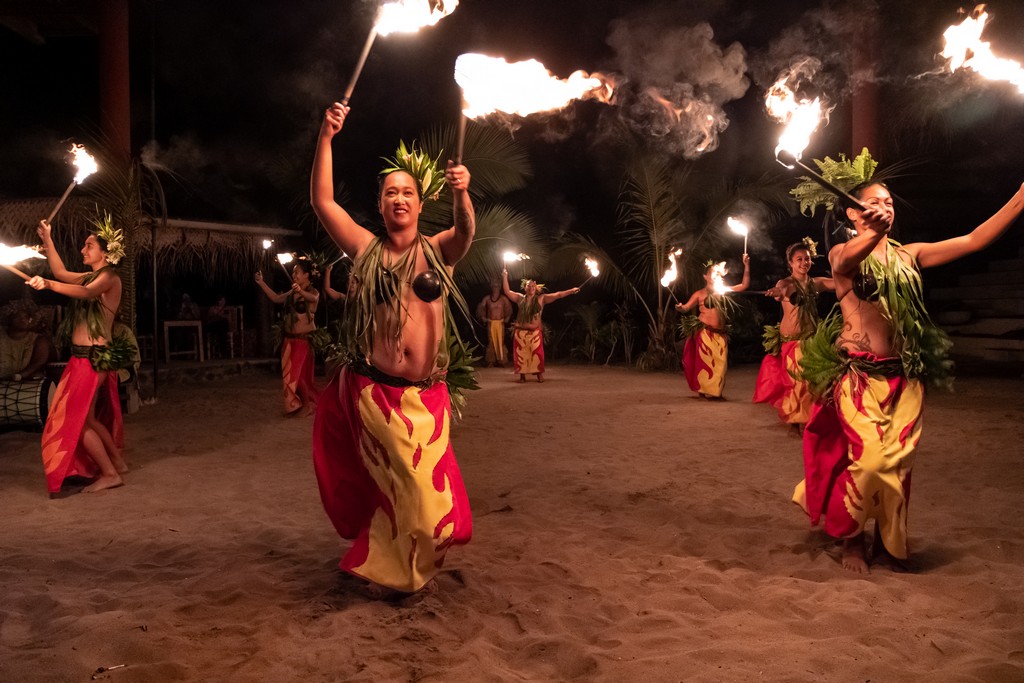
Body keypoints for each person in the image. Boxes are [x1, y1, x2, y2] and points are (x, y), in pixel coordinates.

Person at [791, 150, 1024, 573]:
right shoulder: (845, 254)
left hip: (905, 377)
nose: (885, 208)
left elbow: (974, 240)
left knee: (896, 466)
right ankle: (851, 540)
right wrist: (869, 237)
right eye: (875, 202)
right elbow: (844, 261)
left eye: (890, 203)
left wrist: (1020, 199)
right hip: (859, 376)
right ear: (853, 211)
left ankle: (884, 537)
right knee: (869, 461)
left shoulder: (909, 255)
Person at [310, 103, 476, 595]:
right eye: (390, 193)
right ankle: (394, 570)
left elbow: (466, 231)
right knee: (398, 488)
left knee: (424, 494)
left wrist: (463, 194)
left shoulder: (437, 251)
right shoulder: (365, 250)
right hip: (375, 396)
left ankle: (402, 565)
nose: (399, 199)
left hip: (426, 398)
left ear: (421, 204)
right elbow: (322, 203)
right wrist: (325, 137)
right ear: (380, 204)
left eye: (407, 192)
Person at [26, 215, 130, 495]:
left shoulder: (108, 277)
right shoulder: (91, 275)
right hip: (81, 358)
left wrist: (47, 285)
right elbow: (61, 273)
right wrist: (47, 238)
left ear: (106, 252)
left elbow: (85, 293)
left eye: (89, 245)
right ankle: (117, 464)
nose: (83, 250)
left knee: (78, 419)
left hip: (93, 359)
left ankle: (109, 473)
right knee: (90, 418)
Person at [753, 240, 834, 427]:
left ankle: (807, 419)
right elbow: (782, 290)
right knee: (796, 383)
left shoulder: (816, 283)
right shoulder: (786, 283)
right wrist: (776, 292)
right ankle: (794, 421)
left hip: (811, 341)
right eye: (799, 259)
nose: (804, 262)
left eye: (807, 259)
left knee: (810, 383)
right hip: (792, 342)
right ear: (790, 262)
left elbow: (839, 283)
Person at [675, 255, 750, 399]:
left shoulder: (722, 290)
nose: (716, 274)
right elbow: (685, 308)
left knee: (721, 364)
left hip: (720, 333)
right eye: (712, 272)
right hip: (705, 332)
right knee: (706, 363)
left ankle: (714, 391)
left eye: (717, 272)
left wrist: (746, 265)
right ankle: (708, 391)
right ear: (705, 276)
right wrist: (680, 307)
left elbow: (743, 285)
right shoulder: (700, 294)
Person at [255, 259, 320, 416]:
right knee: (289, 375)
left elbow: (314, 300)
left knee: (298, 374)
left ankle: (306, 405)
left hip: (302, 340)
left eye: (297, 272)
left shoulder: (312, 292)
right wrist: (261, 283)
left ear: (306, 275)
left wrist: (300, 291)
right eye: (293, 272)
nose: (294, 274)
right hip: (289, 339)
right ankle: (299, 404)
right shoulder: (292, 292)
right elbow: (276, 299)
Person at [501, 271, 579, 383]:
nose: (531, 288)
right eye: (529, 286)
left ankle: (539, 374)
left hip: (535, 332)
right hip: (521, 332)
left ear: (536, 288)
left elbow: (558, 295)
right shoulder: (519, 298)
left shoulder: (541, 299)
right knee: (521, 354)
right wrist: (505, 276)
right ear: (525, 288)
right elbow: (507, 291)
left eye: (533, 286)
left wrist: (571, 291)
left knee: (537, 353)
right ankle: (522, 376)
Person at [0, 298, 56, 381]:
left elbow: (39, 361)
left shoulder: (39, 339)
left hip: (23, 380)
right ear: (9, 318)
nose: (22, 320)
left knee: (38, 375)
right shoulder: (1, 335)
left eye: (26, 317)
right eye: (17, 317)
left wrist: (19, 376)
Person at [476, 281, 512, 367]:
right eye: (494, 286)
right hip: (491, 322)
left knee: (501, 341)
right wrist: (483, 317)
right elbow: (481, 308)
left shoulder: (503, 299)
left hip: (500, 323)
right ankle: (491, 361)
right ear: (491, 287)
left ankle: (501, 361)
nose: (495, 288)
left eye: (497, 286)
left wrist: (507, 318)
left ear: (500, 287)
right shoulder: (487, 299)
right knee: (491, 341)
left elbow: (509, 309)